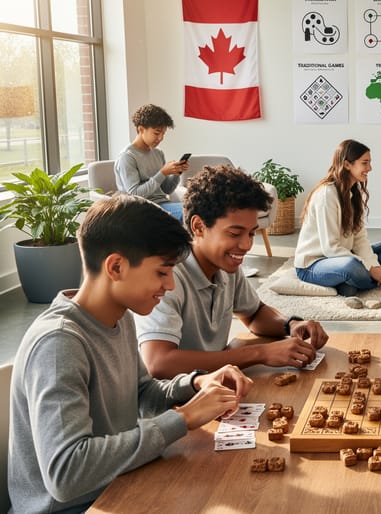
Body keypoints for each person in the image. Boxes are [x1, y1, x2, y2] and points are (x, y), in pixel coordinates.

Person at [8, 195, 253, 513]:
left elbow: (141, 393)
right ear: (116, 267)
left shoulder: (120, 315)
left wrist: (195, 384)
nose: (169, 286)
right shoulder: (59, 344)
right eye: (162, 273)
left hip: (120, 485)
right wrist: (183, 418)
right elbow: (66, 474)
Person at [136, 165, 329, 379]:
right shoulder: (167, 276)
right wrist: (259, 353)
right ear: (198, 227)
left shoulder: (226, 265)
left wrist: (290, 324)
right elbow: (158, 363)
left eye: (251, 234)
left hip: (215, 390)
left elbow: (254, 314)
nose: (246, 245)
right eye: (235, 233)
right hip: (176, 404)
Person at [294, 139, 381, 296]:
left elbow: (360, 239)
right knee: (352, 266)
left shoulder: (353, 193)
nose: (370, 168)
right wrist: (370, 268)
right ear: (347, 165)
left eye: (369, 163)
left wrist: (372, 265)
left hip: (343, 256)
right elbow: (330, 248)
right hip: (313, 264)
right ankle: (361, 281)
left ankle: (353, 283)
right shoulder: (327, 195)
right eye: (365, 163)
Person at [114, 104, 188, 220]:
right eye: (157, 133)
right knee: (193, 213)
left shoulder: (158, 153)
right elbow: (135, 194)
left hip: (163, 205)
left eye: (163, 134)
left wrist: (175, 174)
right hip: (141, 210)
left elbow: (166, 189)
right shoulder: (127, 157)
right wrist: (162, 173)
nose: (161, 138)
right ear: (141, 129)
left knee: (198, 209)